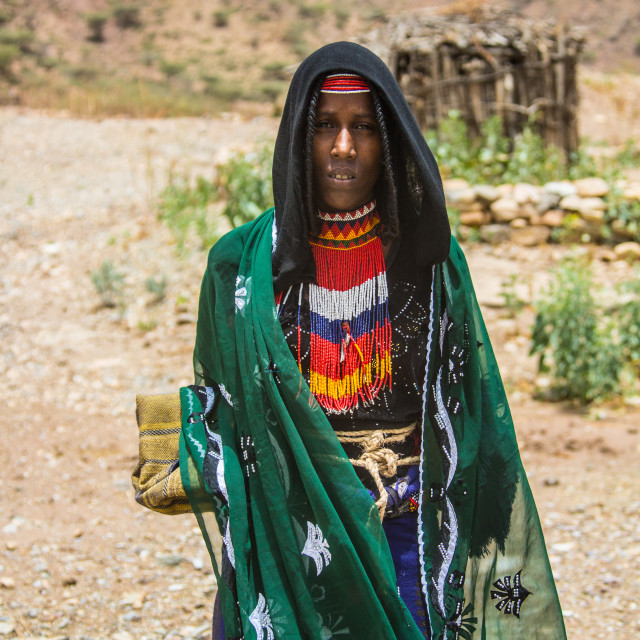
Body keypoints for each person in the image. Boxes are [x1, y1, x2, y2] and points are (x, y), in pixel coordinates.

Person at [134, 41, 566, 640]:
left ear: (388, 141)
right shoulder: (243, 268)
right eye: (325, 127)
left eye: (363, 127)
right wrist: (184, 435)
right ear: (297, 138)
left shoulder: (427, 259)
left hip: (408, 533)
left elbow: (472, 406)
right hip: (296, 534)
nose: (343, 147)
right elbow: (230, 406)